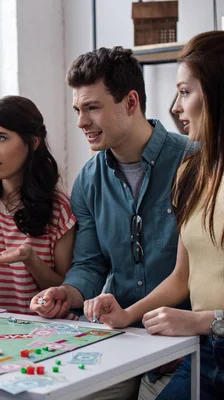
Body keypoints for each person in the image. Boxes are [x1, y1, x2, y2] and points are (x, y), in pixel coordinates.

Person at [30, 46, 193, 399]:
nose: (80, 122)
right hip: (119, 339)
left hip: (184, 343)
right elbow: (90, 262)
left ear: (130, 103)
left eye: (92, 107)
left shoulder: (193, 161)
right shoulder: (87, 179)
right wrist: (68, 293)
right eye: (77, 109)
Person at [83, 31, 224, 400]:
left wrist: (202, 320)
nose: (176, 107)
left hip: (201, 334)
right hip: (204, 352)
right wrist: (127, 315)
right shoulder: (192, 171)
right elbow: (182, 278)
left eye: (185, 91)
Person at [0, 96, 76, 314]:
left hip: (47, 335)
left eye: (0, 138)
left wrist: (30, 259)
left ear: (33, 142)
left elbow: (64, 292)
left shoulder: (60, 209)